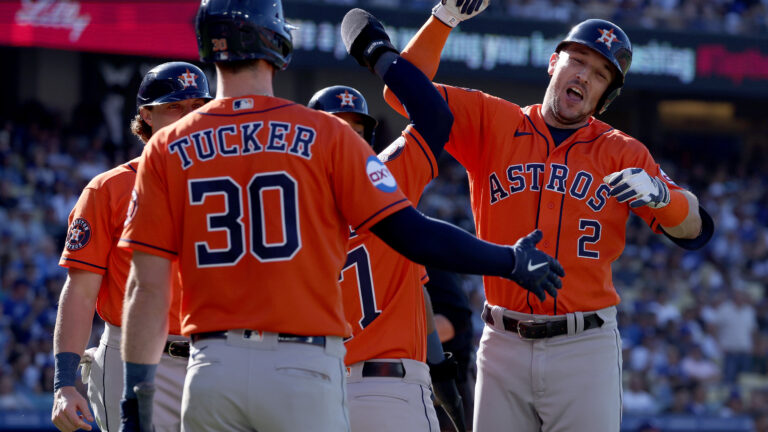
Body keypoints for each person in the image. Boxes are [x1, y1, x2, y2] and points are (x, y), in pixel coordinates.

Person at [116, 1, 563, 431]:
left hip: (212, 366)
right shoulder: (324, 135)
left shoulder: (165, 147)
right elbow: (415, 235)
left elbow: (145, 287)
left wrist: (136, 398)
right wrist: (508, 261)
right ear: (279, 42)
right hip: (302, 365)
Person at [383, 1, 715, 431]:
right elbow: (400, 91)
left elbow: (696, 229)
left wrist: (660, 196)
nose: (583, 76)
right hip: (502, 340)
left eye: (599, 74)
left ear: (606, 96)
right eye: (578, 60)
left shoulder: (622, 151)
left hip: (584, 346)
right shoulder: (492, 121)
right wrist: (442, 20)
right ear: (553, 61)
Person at [309, 18, 464, 429]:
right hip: (388, 391)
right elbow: (434, 116)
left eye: (356, 131)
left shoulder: (287, 202)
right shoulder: (388, 177)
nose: (349, 140)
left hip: (310, 390)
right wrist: (378, 53)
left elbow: (420, 297)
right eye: (339, 130)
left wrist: (441, 373)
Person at [51, 62, 212, 432]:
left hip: (215, 357)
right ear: (146, 116)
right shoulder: (109, 188)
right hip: (132, 356)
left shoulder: (229, 185)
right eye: (175, 106)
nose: (188, 117)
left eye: (197, 107)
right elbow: (80, 290)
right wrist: (64, 382)